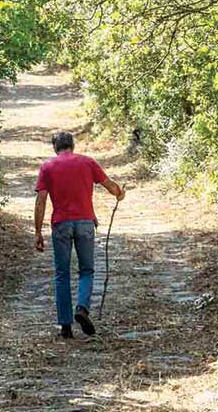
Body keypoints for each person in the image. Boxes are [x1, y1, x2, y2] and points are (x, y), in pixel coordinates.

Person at [34, 130, 126, 339]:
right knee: (86, 270)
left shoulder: (47, 167)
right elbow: (110, 186)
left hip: (61, 225)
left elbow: (41, 200)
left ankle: (65, 325)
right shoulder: (87, 162)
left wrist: (38, 232)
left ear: (54, 147)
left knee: (62, 274)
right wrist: (119, 194)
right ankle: (82, 308)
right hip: (85, 223)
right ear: (72, 145)